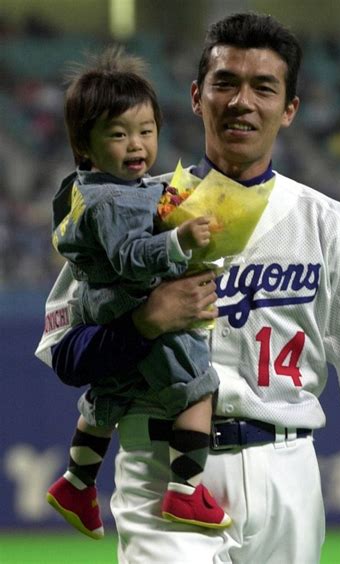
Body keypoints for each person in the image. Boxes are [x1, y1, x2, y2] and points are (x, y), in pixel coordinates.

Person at [36, 12, 340, 564]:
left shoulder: (329, 224)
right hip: (162, 467)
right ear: (196, 96)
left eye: (264, 87)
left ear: (289, 110)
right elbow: (69, 355)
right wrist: (142, 324)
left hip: (286, 472)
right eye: (225, 83)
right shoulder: (125, 207)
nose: (242, 101)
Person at [45, 45, 231, 540]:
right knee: (199, 385)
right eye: (119, 134)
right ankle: (187, 490)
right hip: (129, 298)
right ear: (85, 145)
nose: (136, 145)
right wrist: (179, 238)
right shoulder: (114, 198)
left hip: (105, 303)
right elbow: (130, 256)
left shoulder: (86, 188)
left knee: (112, 391)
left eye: (146, 132)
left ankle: (77, 482)